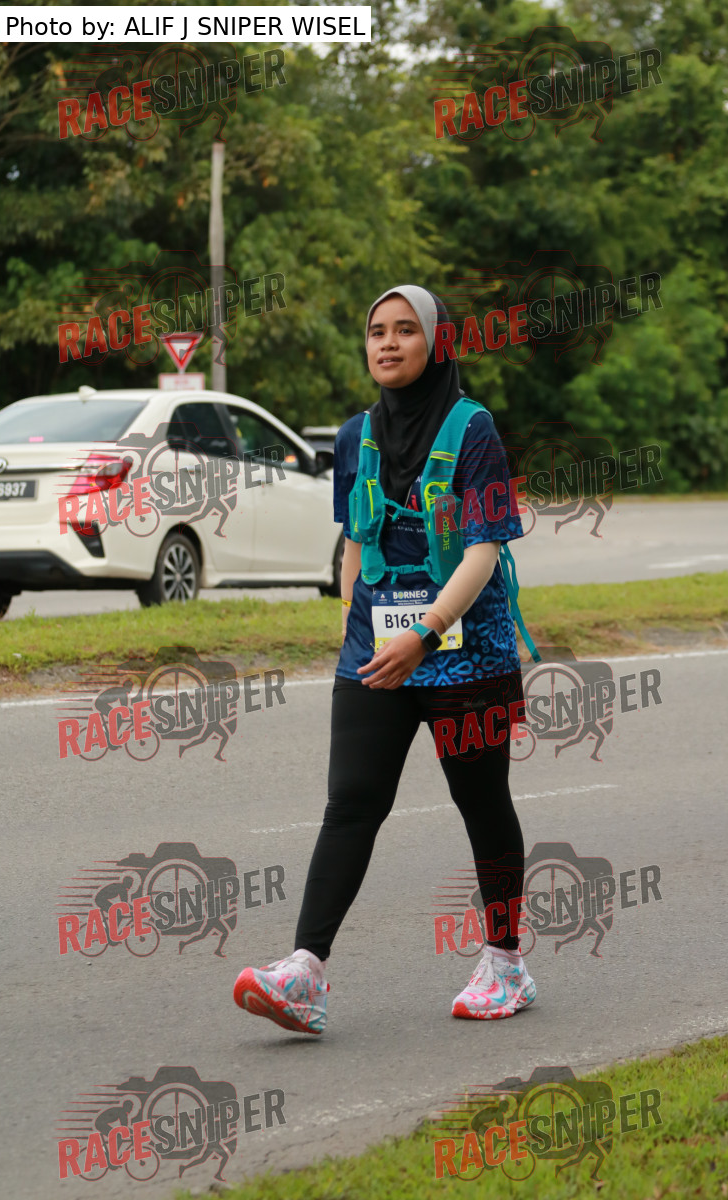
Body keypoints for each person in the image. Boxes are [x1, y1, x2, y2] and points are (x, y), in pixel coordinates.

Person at [233, 285, 535, 1034]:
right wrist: (352, 624)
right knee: (352, 803)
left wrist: (424, 634)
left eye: (406, 330)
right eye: (377, 331)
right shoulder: (354, 436)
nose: (389, 343)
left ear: (437, 342)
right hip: (376, 651)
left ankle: (506, 965)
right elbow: (355, 542)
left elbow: (484, 550)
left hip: (465, 655)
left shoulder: (474, 429)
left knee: (482, 803)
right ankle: (304, 972)